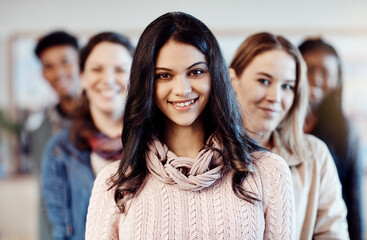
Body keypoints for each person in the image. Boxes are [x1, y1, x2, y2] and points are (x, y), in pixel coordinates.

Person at [86, 12, 295, 239]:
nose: (182, 89)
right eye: (164, 75)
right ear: (147, 83)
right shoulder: (114, 184)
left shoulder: (268, 172)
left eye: (196, 72)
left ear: (215, 76)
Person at [229, 32, 349, 239]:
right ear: (233, 80)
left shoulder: (314, 156)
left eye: (287, 86)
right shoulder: (204, 155)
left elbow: (332, 232)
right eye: (264, 81)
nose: (275, 97)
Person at [41, 32, 135, 240]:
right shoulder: (59, 150)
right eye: (97, 69)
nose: (108, 79)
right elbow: (60, 231)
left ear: (136, 79)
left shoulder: (156, 144)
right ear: (82, 77)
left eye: (120, 69)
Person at [299, 38, 363, 240]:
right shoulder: (274, 123)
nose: (316, 79)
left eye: (326, 73)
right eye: (309, 69)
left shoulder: (345, 130)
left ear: (337, 80)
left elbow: (353, 196)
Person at [33, 30, 81, 240]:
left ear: (81, 63)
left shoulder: (110, 119)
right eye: (48, 66)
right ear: (43, 73)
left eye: (65, 62)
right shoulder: (41, 130)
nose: (58, 72)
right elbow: (46, 199)